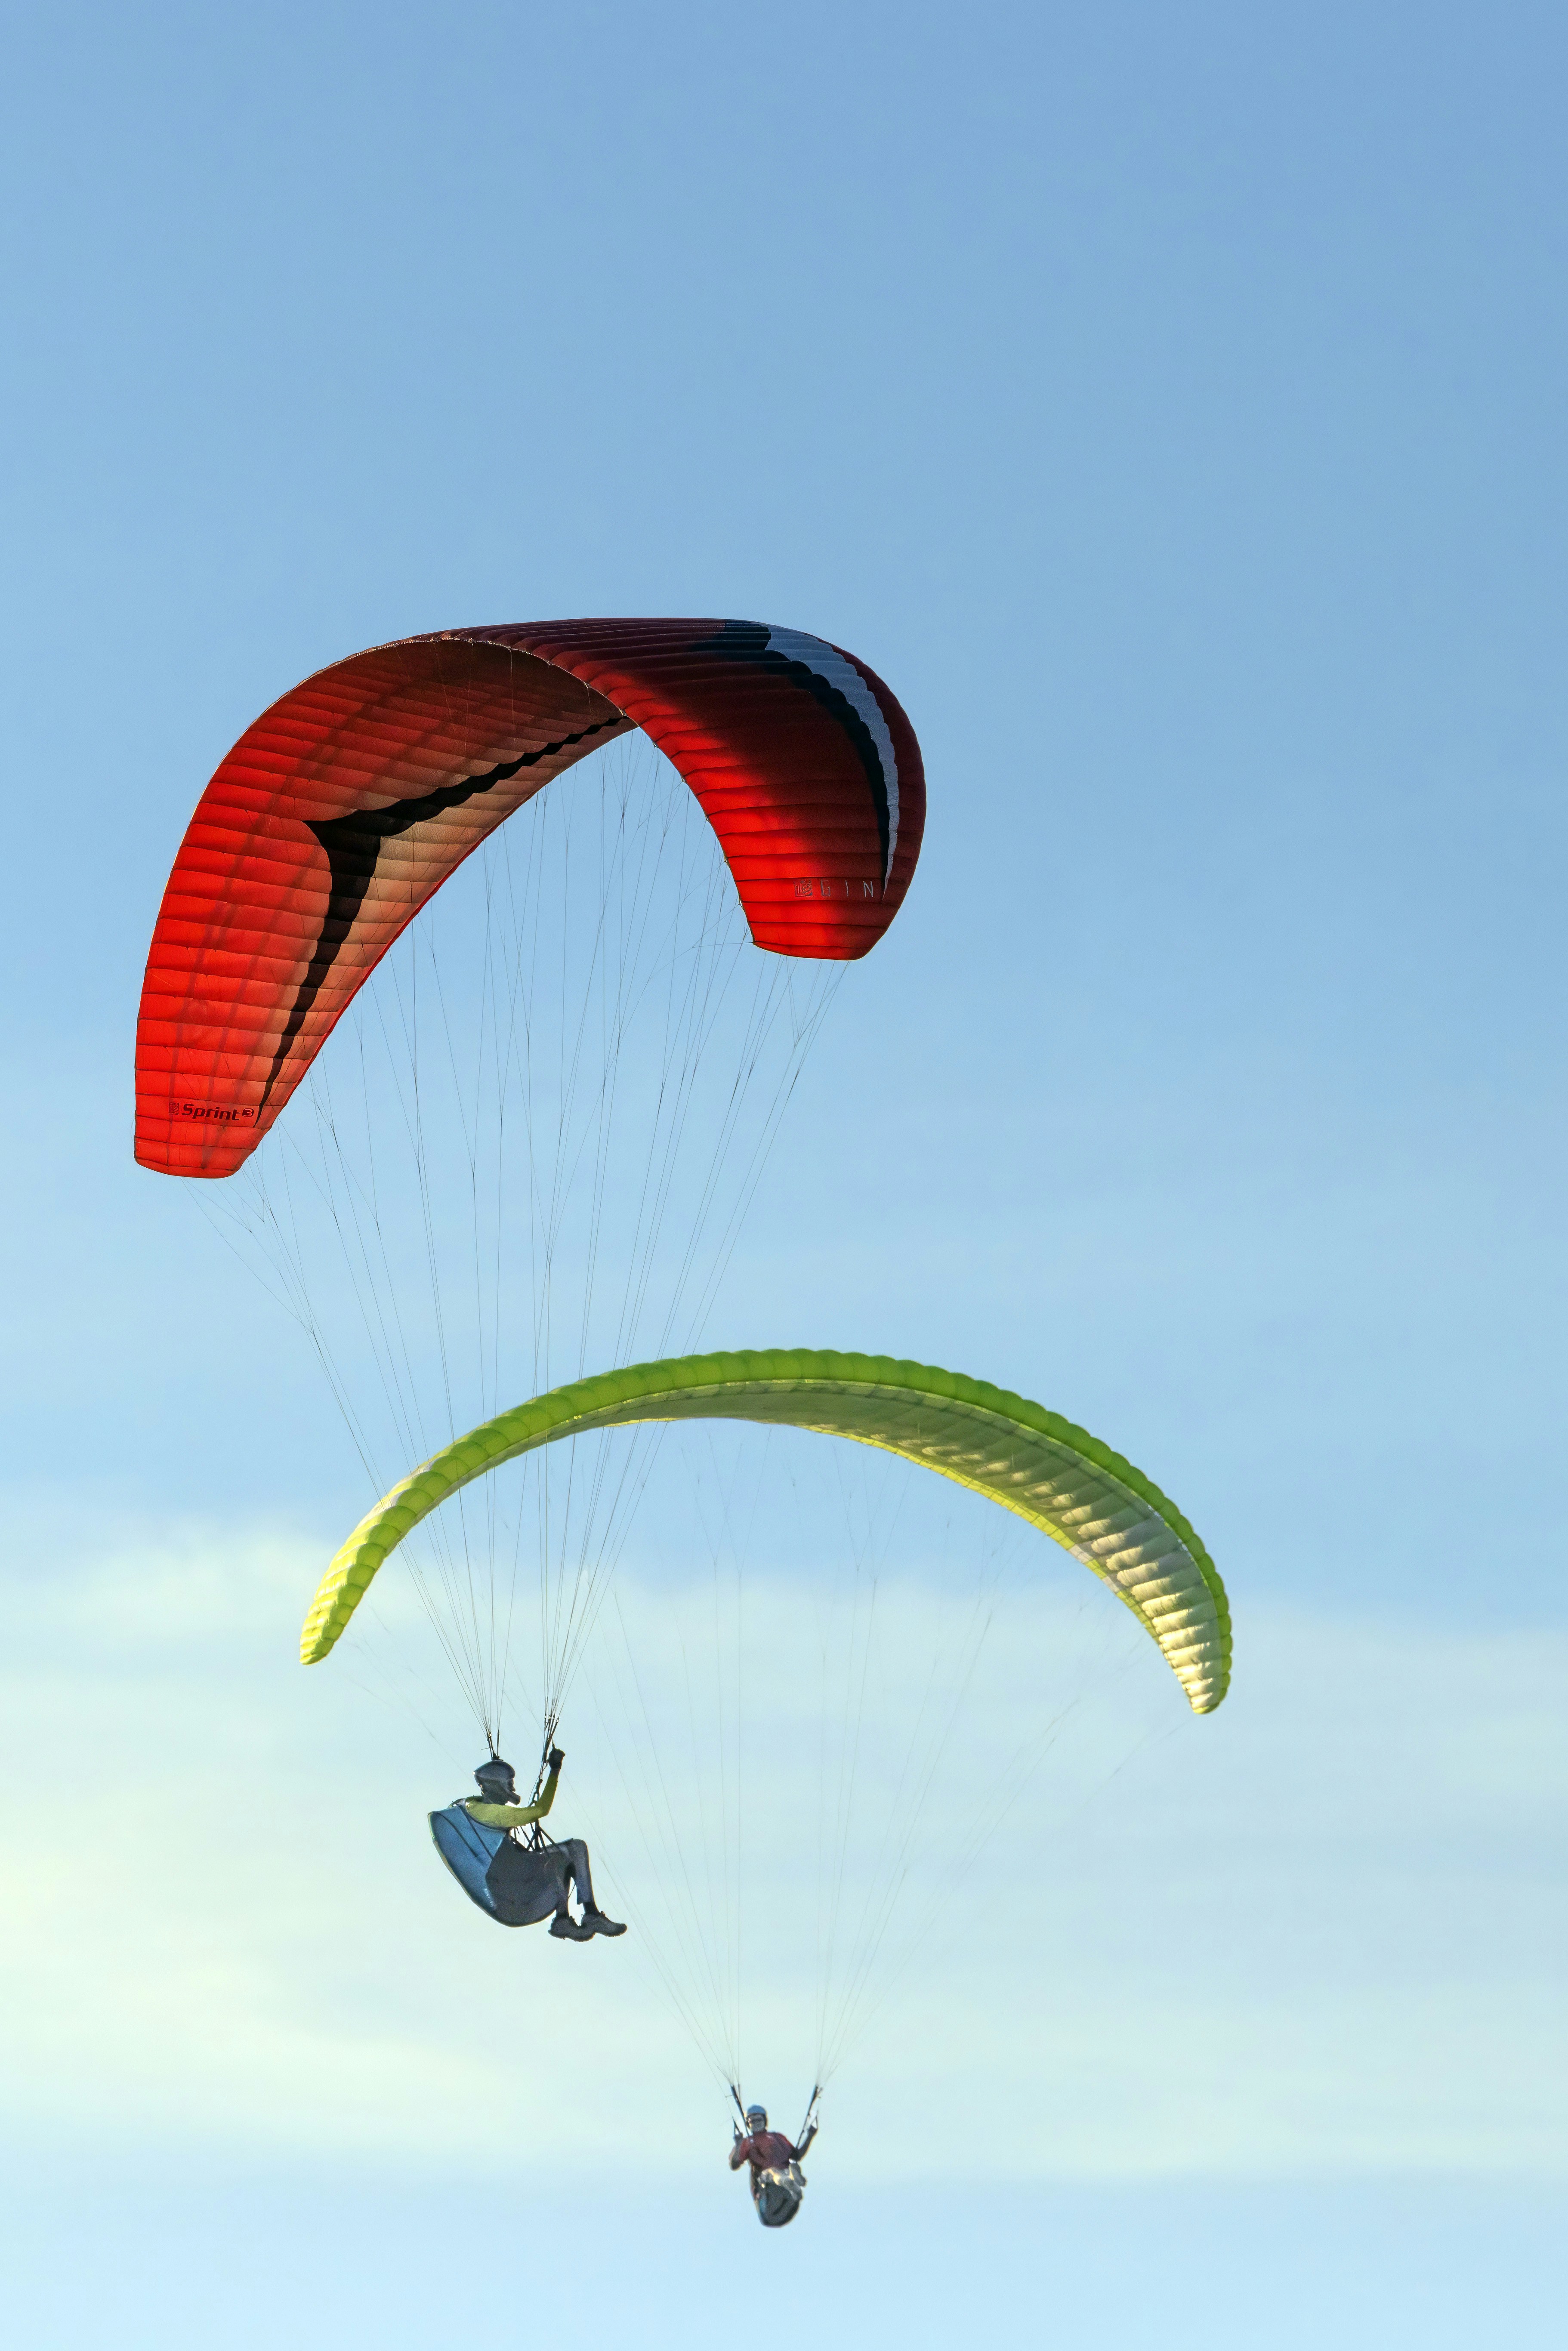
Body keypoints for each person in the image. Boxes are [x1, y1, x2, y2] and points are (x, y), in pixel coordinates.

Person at [429, 1745, 626, 1939]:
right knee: (575, 1849)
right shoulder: (495, 1814)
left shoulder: (472, 1805)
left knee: (560, 1857)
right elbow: (541, 1810)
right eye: (509, 1783)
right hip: (511, 1892)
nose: (513, 1787)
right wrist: (555, 1770)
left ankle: (563, 1920)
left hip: (506, 1887)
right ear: (497, 1786)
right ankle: (588, 1915)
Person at [729, 2101, 818, 2228]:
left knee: (791, 2166)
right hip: (767, 2185)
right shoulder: (748, 2143)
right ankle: (794, 2184)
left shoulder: (778, 2138)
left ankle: (793, 2180)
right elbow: (735, 2165)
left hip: (781, 2198)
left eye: (759, 2120)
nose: (756, 2123)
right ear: (748, 2124)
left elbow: (797, 2155)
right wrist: (738, 2145)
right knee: (772, 2172)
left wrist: (810, 2136)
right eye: (752, 2121)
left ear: (765, 2121)